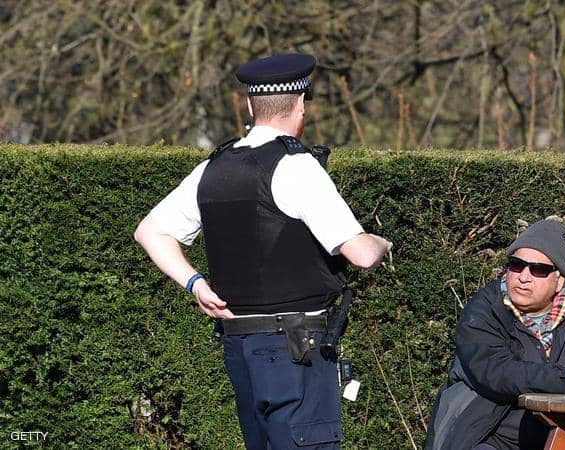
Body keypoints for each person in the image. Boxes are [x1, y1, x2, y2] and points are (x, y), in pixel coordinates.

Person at [134, 53, 392, 450]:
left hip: (240, 346)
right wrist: (383, 242)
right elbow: (361, 254)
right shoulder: (297, 166)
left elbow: (150, 232)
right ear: (301, 104)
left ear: (251, 106)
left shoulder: (213, 168)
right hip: (295, 349)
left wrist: (196, 284)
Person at [425, 219, 565, 450]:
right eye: (516, 264)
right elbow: (498, 372)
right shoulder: (483, 311)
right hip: (493, 437)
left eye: (538, 269)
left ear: (558, 280)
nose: (524, 276)